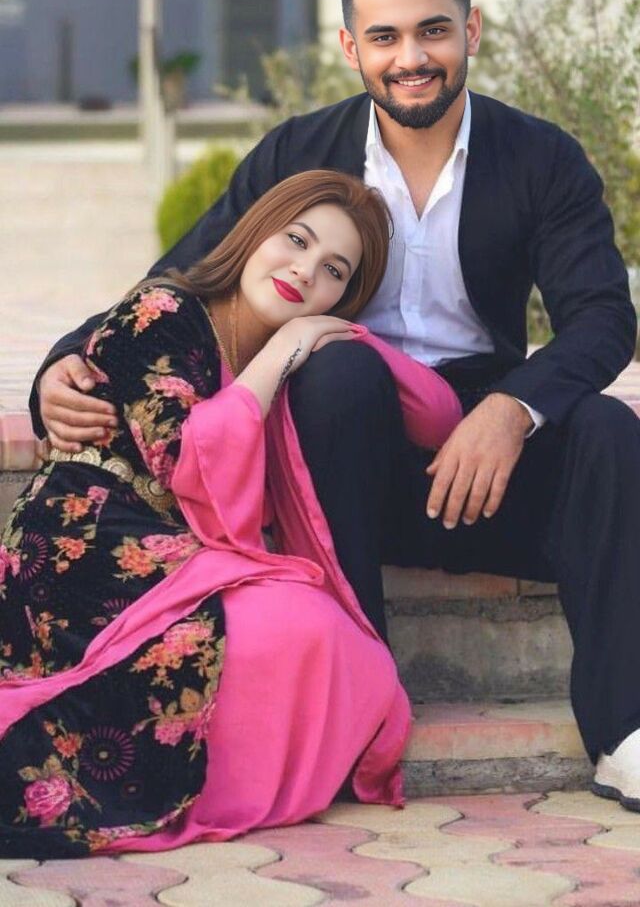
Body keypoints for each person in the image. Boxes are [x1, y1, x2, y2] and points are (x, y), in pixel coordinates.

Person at [30, 0, 640, 810]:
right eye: (385, 37)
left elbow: (604, 317)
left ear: (470, 31)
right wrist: (65, 363)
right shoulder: (301, 151)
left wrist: (511, 408)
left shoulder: (541, 158)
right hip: (336, 469)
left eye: (432, 30)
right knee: (338, 375)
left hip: (482, 464)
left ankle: (624, 732)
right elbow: (182, 277)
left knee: (609, 429)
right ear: (353, 47)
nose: (411, 58)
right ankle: (364, 698)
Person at [0, 169, 464, 857]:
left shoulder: (285, 345)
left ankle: (212, 776)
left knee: (337, 644)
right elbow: (188, 465)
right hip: (84, 551)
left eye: (333, 271)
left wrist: (339, 333)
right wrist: (282, 351)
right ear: (255, 232)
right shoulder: (164, 309)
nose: (304, 270)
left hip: (172, 554)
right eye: (296, 240)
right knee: (308, 627)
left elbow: (438, 413)